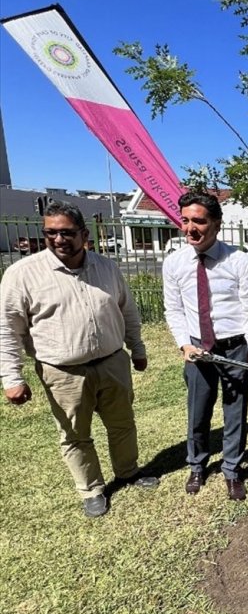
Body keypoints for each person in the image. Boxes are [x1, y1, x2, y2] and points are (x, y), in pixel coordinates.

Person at [0, 201, 158, 518]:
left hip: (113, 362)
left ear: (84, 234)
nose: (59, 239)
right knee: (74, 435)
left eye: (67, 232)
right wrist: (12, 378)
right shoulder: (22, 275)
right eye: (51, 233)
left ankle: (128, 472)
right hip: (63, 372)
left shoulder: (106, 267)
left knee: (123, 424)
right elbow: (7, 329)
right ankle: (92, 489)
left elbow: (126, 311)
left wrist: (136, 348)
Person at [163, 191, 248, 501]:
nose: (190, 228)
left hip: (235, 347)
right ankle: (197, 465)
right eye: (185, 221)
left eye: (199, 221)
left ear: (217, 224)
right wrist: (184, 345)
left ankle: (232, 471)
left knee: (235, 412)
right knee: (198, 411)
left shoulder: (237, 261)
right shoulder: (174, 263)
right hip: (197, 350)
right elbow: (174, 310)